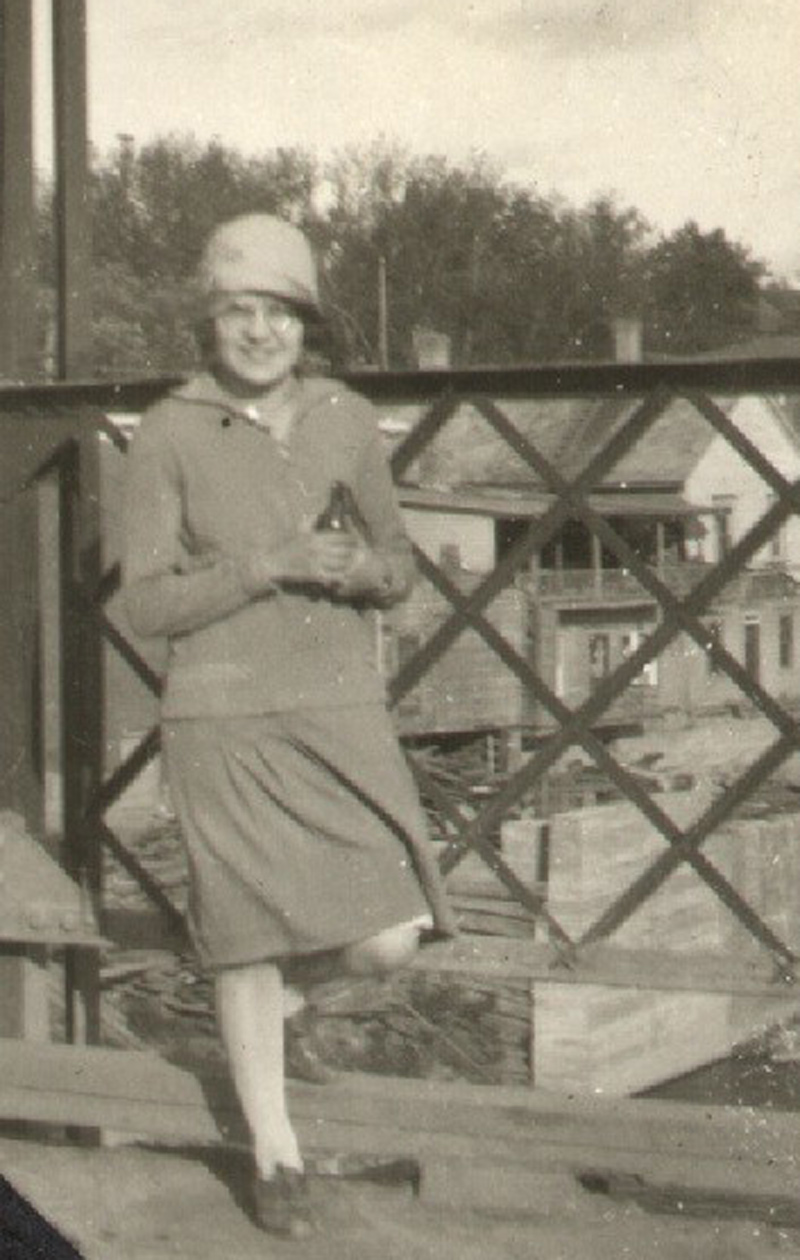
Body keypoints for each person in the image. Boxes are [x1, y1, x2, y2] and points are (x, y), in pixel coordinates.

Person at [121, 213, 455, 1239]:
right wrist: (266, 567)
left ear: (305, 324)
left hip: (335, 709)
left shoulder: (345, 418)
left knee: (391, 932)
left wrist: (358, 572)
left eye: (278, 312)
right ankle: (275, 1157)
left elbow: (399, 565)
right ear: (208, 324)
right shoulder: (168, 431)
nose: (259, 332)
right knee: (244, 943)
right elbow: (144, 605)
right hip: (219, 714)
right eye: (237, 312)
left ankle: (280, 1017)